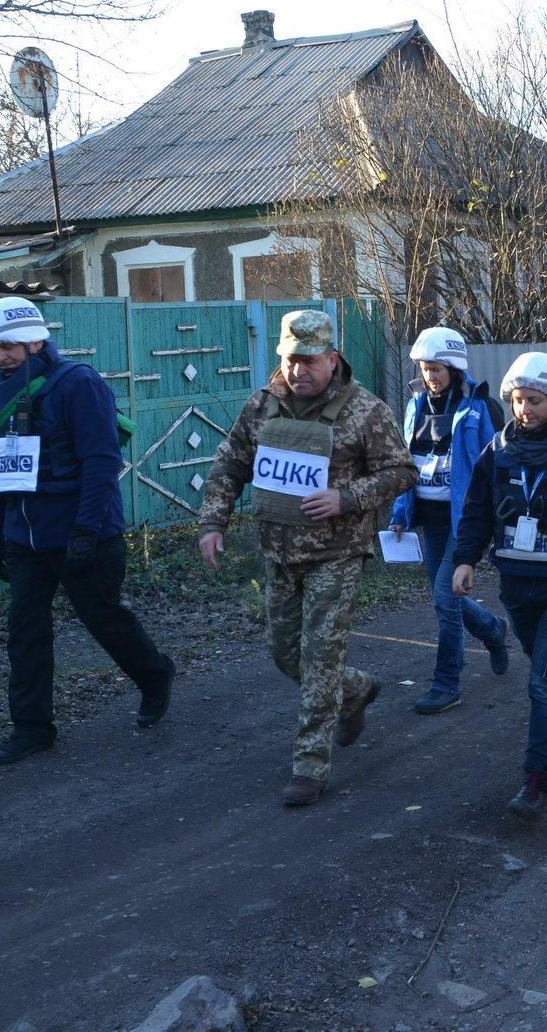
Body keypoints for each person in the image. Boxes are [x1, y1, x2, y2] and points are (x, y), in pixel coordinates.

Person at [197, 310, 416, 808]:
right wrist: (213, 524)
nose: (299, 371)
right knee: (285, 653)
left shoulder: (365, 411)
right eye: (291, 360)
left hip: (337, 554)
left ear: (331, 358)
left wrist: (347, 497)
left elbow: (401, 472)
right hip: (278, 552)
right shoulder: (262, 407)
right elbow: (229, 465)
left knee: (319, 658)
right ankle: (356, 689)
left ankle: (309, 766)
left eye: (309, 361)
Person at [0, 296, 175, 765]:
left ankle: (154, 675)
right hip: (24, 539)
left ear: (36, 339)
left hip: (83, 533)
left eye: (10, 345)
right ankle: (32, 727)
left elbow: (102, 461)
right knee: (25, 631)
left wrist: (86, 529)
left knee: (103, 618)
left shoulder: (78, 384)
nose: (2, 355)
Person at [452, 352, 547, 821]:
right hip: (518, 585)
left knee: (545, 684)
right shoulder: (497, 450)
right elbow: (477, 508)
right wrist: (464, 559)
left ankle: (537, 780)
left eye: (534, 400)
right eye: (518, 400)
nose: (524, 410)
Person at [388, 327, 510, 715]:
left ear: (455, 367)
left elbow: (495, 465)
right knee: (448, 599)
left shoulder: (480, 407)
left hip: (465, 521)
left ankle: (446, 684)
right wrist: (400, 512)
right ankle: (492, 628)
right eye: (425, 368)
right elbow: (406, 464)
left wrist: (492, 517)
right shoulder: (415, 406)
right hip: (431, 520)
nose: (430, 376)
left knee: (444, 600)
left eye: (437, 368)